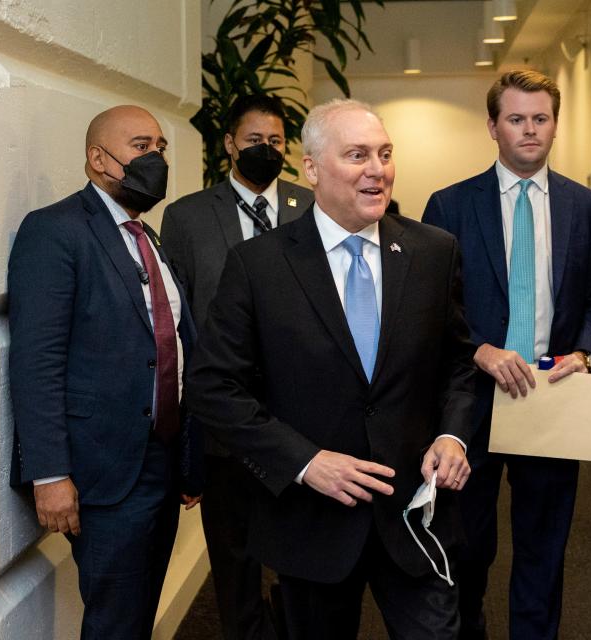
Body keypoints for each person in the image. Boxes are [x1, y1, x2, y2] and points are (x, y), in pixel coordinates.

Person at [186, 99, 477, 639]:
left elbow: (459, 362)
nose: (377, 169)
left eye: (385, 154)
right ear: (313, 168)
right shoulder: (260, 265)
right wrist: (304, 461)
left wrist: (452, 435)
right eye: (357, 155)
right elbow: (212, 388)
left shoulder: (433, 251)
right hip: (312, 522)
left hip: (414, 514)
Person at [422, 70, 591, 640]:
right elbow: (429, 309)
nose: (529, 130)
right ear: (492, 126)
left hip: (551, 399)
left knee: (544, 546)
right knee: (468, 545)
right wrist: (478, 349)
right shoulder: (451, 206)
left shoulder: (586, 206)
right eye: (516, 119)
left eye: (541, 118)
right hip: (472, 403)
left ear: (555, 124)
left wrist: (584, 352)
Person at [8, 105, 202, 639]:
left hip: (160, 463)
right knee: (115, 621)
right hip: (103, 472)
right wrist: (49, 475)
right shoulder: (55, 231)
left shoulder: (147, 237)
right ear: (99, 158)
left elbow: (171, 344)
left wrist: (186, 455)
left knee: (138, 615)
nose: (156, 159)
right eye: (141, 147)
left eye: (161, 147)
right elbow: (36, 359)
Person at [160, 93, 313, 640]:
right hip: (224, 419)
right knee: (232, 556)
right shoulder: (186, 218)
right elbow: (178, 320)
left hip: (303, 417)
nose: (265, 150)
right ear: (229, 144)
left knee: (306, 555)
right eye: (254, 141)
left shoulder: (313, 207)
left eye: (275, 142)